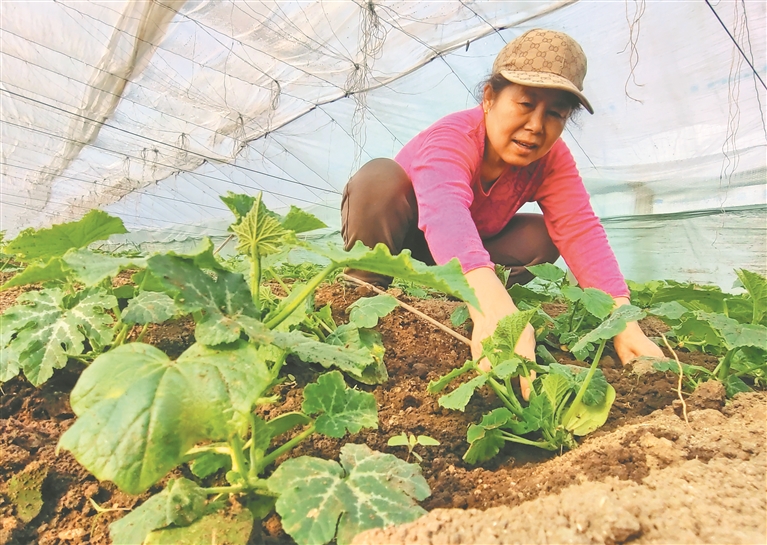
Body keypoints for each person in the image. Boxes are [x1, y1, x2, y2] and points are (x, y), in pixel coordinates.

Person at [341, 29, 664, 390]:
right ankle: (364, 291)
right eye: (525, 104)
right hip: (406, 238)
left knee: (542, 237)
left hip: (466, 252)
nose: (536, 126)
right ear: (489, 98)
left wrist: (622, 320)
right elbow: (445, 209)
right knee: (379, 180)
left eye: (555, 114)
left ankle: (465, 298)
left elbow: (579, 229)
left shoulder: (551, 160)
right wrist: (491, 304)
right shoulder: (454, 136)